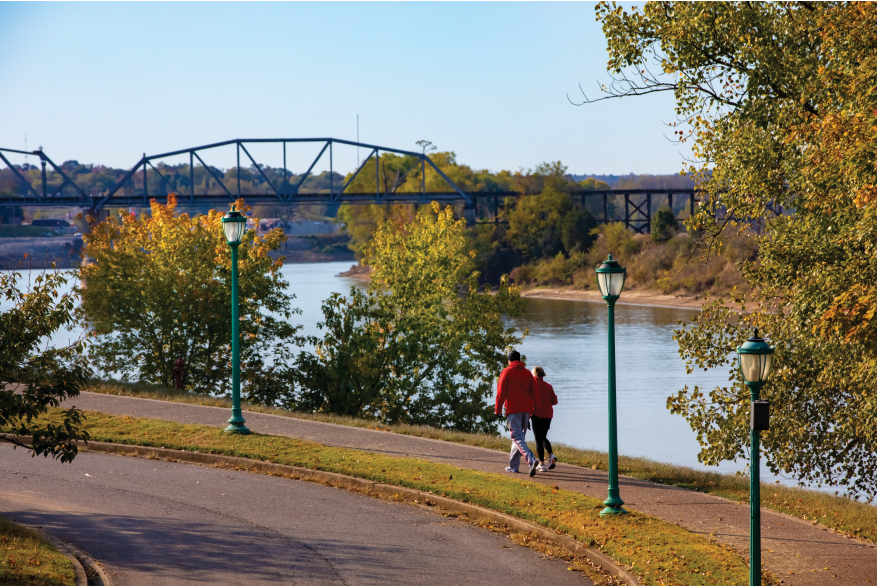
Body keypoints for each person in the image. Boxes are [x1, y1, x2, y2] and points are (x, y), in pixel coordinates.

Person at [495, 350, 540, 477]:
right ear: (519, 360)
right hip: (526, 409)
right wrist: (534, 412)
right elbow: (535, 394)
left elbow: (500, 392)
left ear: (509, 361)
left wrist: (497, 410)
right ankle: (513, 467)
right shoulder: (527, 373)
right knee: (519, 438)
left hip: (513, 409)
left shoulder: (506, 371)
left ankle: (531, 460)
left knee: (517, 437)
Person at [530, 366, 558, 472]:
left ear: (534, 374)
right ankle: (550, 455)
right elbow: (554, 401)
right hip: (548, 414)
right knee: (543, 437)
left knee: (538, 439)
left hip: (536, 414)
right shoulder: (548, 386)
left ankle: (541, 464)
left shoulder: (531, 385)